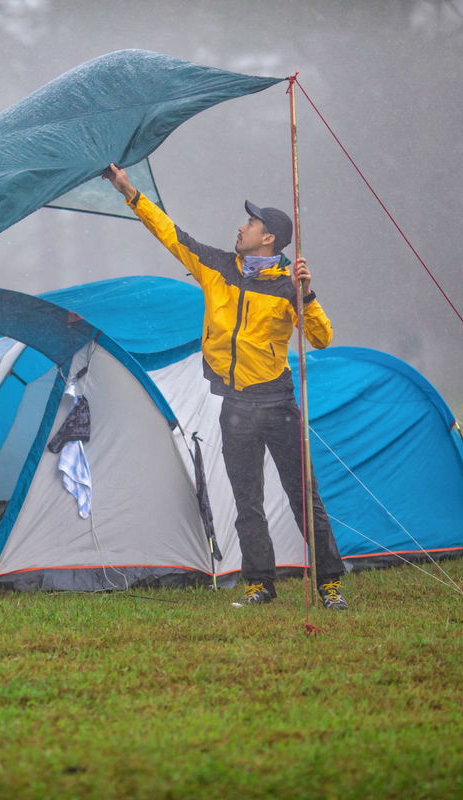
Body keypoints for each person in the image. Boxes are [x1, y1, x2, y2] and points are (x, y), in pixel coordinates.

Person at [102, 163, 348, 610]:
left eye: (251, 223)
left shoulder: (288, 286)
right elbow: (171, 235)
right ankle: (259, 584)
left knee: (303, 498)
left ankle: (329, 584)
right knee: (247, 501)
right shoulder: (217, 266)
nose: (241, 227)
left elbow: (321, 338)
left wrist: (307, 295)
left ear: (268, 237)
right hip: (235, 406)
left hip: (278, 404)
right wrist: (130, 193)